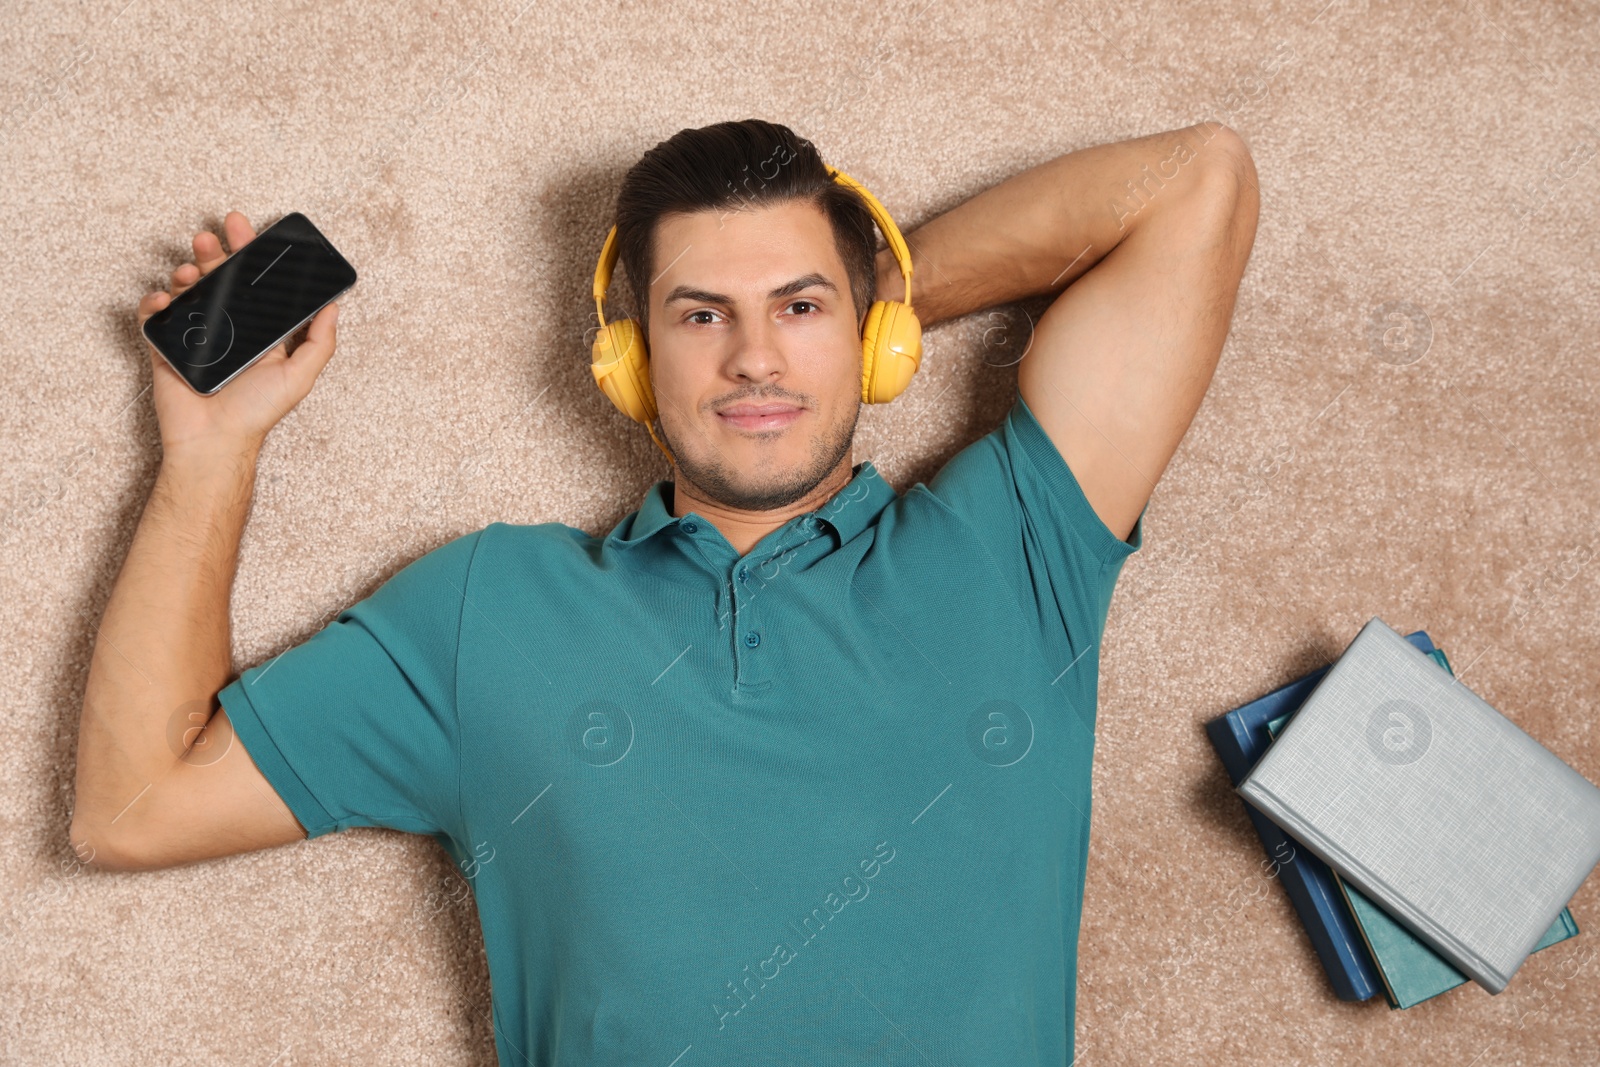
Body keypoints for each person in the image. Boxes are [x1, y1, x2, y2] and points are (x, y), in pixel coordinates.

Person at [71, 118, 1258, 1065]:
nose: (753, 356)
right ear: (631, 357)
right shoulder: (490, 608)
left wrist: (883, 305)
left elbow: (1193, 183)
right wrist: (211, 453)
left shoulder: (1013, 544)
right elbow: (130, 808)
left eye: (799, 307)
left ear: (874, 335)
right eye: (702, 316)